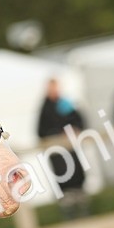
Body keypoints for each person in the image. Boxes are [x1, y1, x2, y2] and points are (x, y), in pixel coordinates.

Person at [36, 78, 89, 218]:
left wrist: (74, 129)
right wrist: (58, 134)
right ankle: (69, 214)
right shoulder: (45, 108)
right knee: (64, 181)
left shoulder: (65, 103)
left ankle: (83, 211)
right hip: (58, 154)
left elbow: (79, 121)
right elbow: (41, 132)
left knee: (78, 178)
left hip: (71, 150)